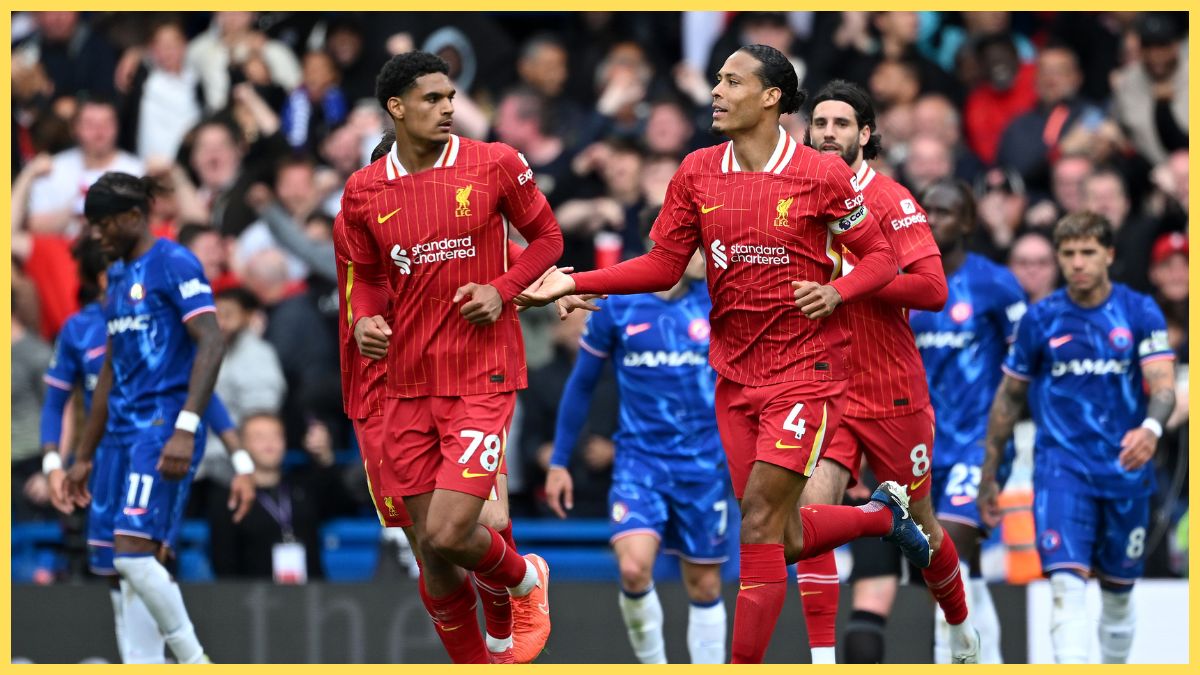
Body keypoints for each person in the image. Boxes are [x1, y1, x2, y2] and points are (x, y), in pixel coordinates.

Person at [517, 44, 930, 664]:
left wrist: (835, 290)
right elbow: (661, 266)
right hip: (735, 377)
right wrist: (576, 280)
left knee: (760, 523)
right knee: (782, 537)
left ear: (770, 98)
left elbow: (879, 259)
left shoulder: (821, 175)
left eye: (731, 81)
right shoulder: (697, 172)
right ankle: (878, 517)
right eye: (716, 80)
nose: (715, 91)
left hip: (806, 373)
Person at [343, 52, 563, 664]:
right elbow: (361, 277)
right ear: (396, 108)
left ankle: (524, 582)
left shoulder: (493, 163)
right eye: (433, 99)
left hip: (481, 376)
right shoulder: (364, 190)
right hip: (404, 385)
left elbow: (548, 239)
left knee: (455, 528)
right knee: (434, 553)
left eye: (450, 97)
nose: (448, 108)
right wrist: (364, 319)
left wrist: (503, 289)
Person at [797, 79, 978, 664]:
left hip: (891, 388)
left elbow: (932, 289)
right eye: (820, 123)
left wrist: (847, 287)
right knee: (802, 522)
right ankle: (876, 524)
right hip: (824, 386)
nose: (828, 133)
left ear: (865, 135)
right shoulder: (792, 200)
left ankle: (958, 627)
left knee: (923, 527)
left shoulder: (891, 200)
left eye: (842, 124)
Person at [41, 234, 254, 661]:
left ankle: (185, 662)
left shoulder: (157, 321)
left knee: (142, 556)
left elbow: (200, 392)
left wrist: (240, 456)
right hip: (103, 459)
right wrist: (53, 464)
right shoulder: (79, 329)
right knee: (118, 573)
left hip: (152, 448)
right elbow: (55, 402)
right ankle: (143, 664)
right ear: (98, 277)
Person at [980, 212, 1177, 664]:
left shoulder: (1138, 310)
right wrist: (990, 475)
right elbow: (1009, 399)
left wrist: (1149, 428)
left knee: (1118, 597)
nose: (1078, 263)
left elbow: (1163, 386)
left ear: (1109, 254)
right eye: (1068, 254)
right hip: (1060, 472)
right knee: (1067, 589)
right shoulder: (1041, 319)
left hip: (1125, 471)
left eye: (1088, 252)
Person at [62, 172, 226, 664]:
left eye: (103, 223)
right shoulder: (115, 275)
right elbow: (110, 369)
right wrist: (84, 455)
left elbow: (212, 342)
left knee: (134, 553)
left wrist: (187, 426)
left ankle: (196, 662)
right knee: (122, 563)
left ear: (134, 217)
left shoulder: (174, 262)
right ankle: (145, 666)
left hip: (164, 427)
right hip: (121, 433)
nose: (97, 234)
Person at [546, 249, 728, 664]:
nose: (708, 255)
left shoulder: (717, 300)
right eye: (698, 247)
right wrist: (559, 461)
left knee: (704, 585)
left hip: (702, 466)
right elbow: (581, 384)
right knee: (632, 569)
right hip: (639, 463)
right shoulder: (621, 305)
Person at [910, 178, 1028, 663]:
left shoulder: (995, 284)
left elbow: (1025, 363)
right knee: (959, 570)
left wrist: (997, 445)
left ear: (969, 222)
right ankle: (985, 661)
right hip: (921, 447)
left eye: (945, 211)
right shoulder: (907, 284)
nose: (932, 219)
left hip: (978, 443)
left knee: (948, 550)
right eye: (926, 210)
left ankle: (950, 660)